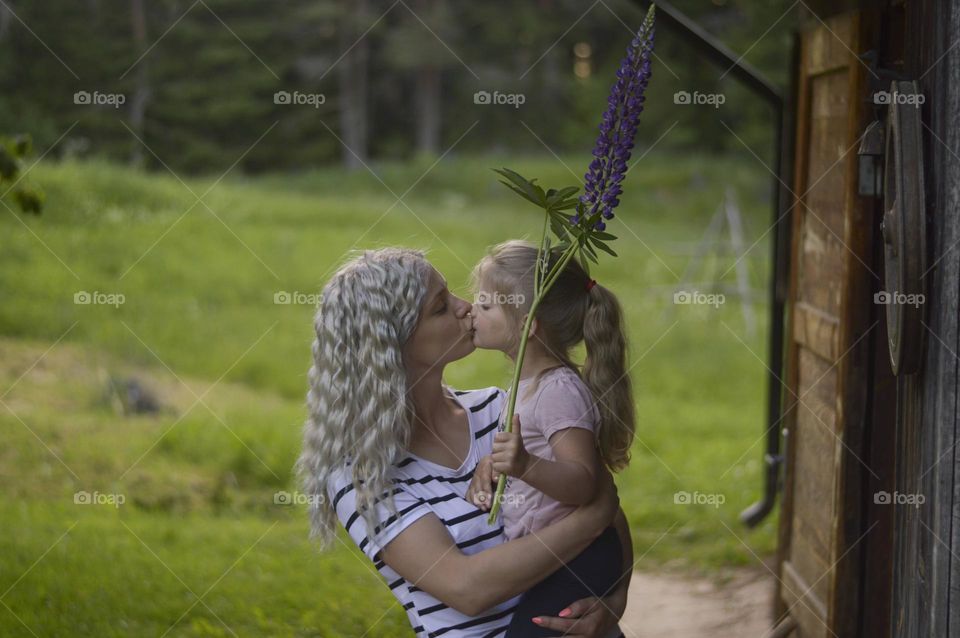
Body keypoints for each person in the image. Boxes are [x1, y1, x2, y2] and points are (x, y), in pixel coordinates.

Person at [296, 248, 632, 637]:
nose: (465, 307)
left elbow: (604, 510)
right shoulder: (364, 474)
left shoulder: (503, 410)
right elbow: (467, 588)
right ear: (394, 345)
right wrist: (593, 517)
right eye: (441, 307)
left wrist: (613, 602)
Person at [466, 240, 635, 637]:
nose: (472, 310)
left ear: (526, 325)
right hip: (560, 554)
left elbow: (582, 482)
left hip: (580, 557)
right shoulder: (528, 386)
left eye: (486, 305)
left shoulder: (558, 390)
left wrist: (525, 465)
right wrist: (495, 465)